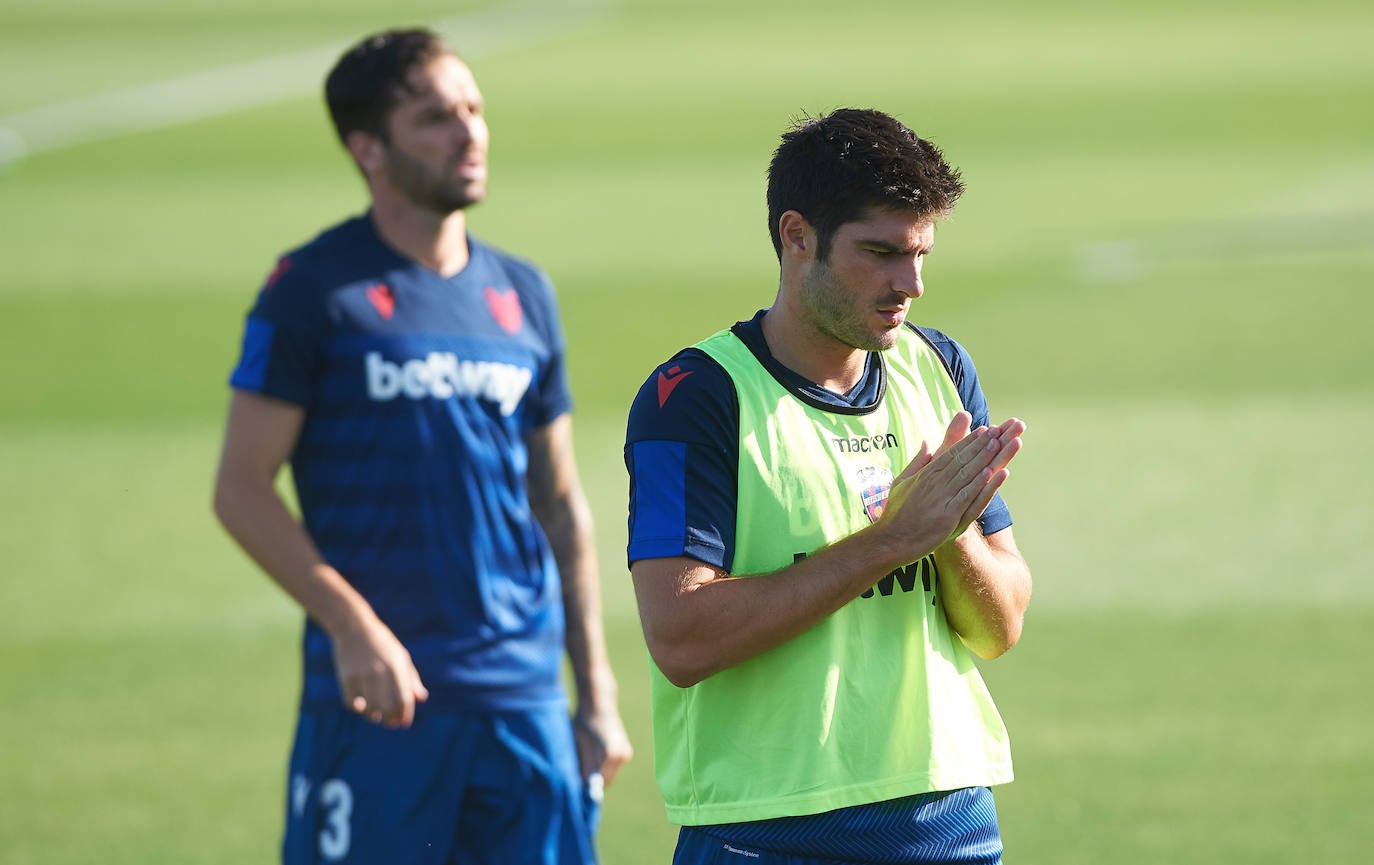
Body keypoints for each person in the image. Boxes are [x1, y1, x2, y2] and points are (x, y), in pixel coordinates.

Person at [213, 27, 631, 865]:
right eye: (436, 117)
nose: (469, 132)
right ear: (367, 147)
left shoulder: (522, 292)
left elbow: (557, 502)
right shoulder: (312, 289)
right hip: (379, 701)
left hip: (522, 698)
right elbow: (242, 488)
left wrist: (595, 690)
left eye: (473, 109)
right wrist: (351, 626)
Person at [624, 108, 1031, 864]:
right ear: (796, 235)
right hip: (768, 829)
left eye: (919, 253)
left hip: (947, 819)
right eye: (879, 252)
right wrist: (893, 540)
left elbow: (999, 625)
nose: (908, 283)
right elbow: (680, 636)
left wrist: (950, 541)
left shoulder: (938, 368)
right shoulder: (698, 396)